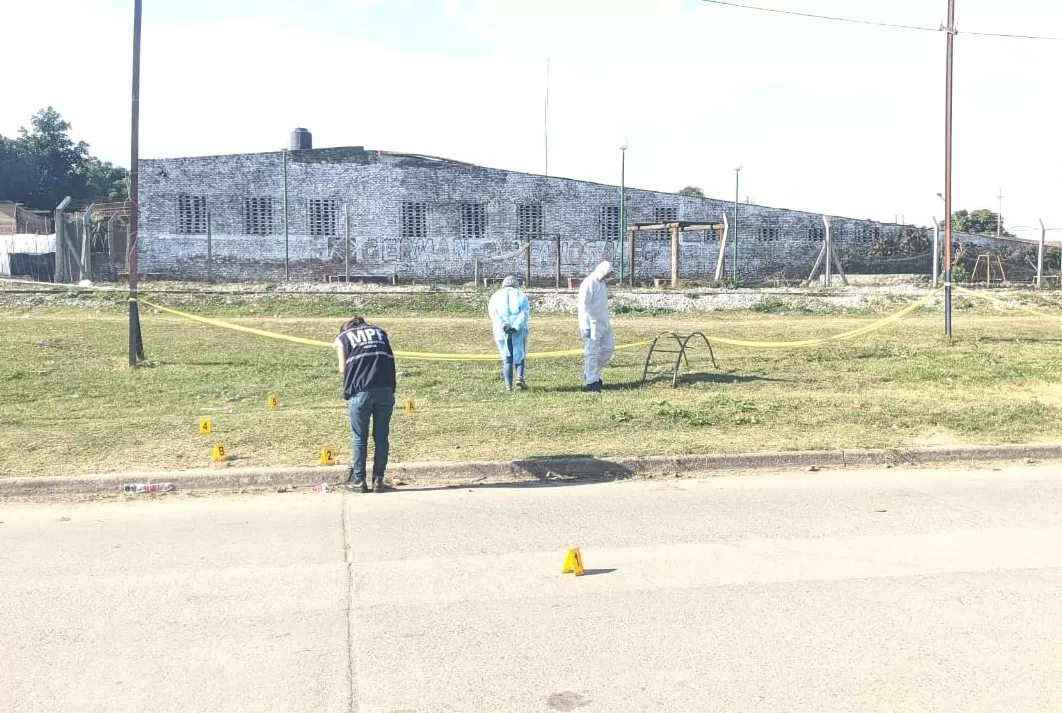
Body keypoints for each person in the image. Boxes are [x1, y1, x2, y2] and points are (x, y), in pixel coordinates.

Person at [333, 316, 397, 493]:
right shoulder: (380, 333)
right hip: (385, 390)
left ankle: (359, 480)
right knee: (381, 437)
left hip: (360, 391)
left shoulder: (343, 337)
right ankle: (378, 480)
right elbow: (391, 360)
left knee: (359, 438)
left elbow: (342, 368)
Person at [488, 275, 531, 391]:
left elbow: (494, 314)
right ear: (516, 284)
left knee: (506, 358)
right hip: (518, 331)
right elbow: (524, 314)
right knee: (520, 354)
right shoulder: (521, 295)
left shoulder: (496, 296)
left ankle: (508, 386)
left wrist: (503, 325)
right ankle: (519, 377)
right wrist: (516, 326)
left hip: (501, 331)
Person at [577, 261, 615, 392]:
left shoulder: (602, 284)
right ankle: (591, 381)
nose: (609, 276)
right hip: (591, 324)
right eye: (608, 273)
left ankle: (592, 373)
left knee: (608, 348)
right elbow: (583, 307)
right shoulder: (588, 283)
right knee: (591, 352)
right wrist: (585, 326)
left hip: (604, 323)